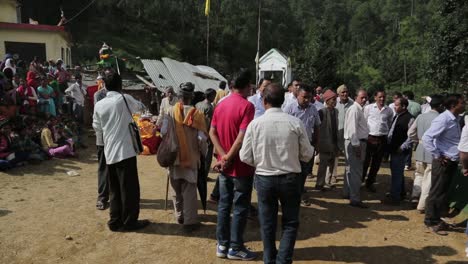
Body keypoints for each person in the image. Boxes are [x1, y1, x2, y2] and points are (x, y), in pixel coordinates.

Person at [239, 83, 314, 264]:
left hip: (265, 178)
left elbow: (245, 156)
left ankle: (269, 260)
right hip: (290, 178)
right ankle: (283, 260)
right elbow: (307, 154)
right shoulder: (295, 123)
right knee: (290, 223)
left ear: (264, 101)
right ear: (283, 100)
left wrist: (262, 162)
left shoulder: (255, 124)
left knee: (267, 223)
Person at [93, 71, 150, 232]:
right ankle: (130, 221)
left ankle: (115, 220)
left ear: (104, 85)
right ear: (120, 85)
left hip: (109, 151)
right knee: (130, 189)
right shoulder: (124, 99)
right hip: (125, 151)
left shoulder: (99, 104)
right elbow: (140, 108)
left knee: (115, 189)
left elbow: (97, 127)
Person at [209, 71, 256, 260]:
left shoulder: (220, 105)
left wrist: (222, 156)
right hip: (241, 166)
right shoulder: (247, 106)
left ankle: (222, 245)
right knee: (240, 207)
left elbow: (212, 132)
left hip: (224, 166)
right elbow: (241, 137)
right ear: (245, 87)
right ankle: (235, 247)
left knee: (223, 205)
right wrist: (228, 156)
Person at [164, 82, 207, 231]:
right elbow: (202, 139)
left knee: (176, 189)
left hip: (173, 157)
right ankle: (189, 221)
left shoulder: (169, 111)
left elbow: (163, 132)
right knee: (189, 190)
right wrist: (203, 153)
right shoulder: (198, 114)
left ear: (178, 96)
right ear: (192, 96)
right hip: (191, 158)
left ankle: (179, 216)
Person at [422, 94, 464, 235]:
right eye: (461, 103)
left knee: (442, 192)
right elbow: (427, 138)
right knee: (436, 191)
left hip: (451, 161)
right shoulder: (443, 119)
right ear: (453, 105)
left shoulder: (455, 119)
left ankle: (436, 218)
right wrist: (438, 155)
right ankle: (430, 221)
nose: (464, 105)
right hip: (443, 162)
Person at [407, 94, 444, 211]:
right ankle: (422, 205)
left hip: (420, 149)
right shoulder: (440, 118)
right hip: (432, 151)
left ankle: (414, 196)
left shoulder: (421, 117)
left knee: (419, 175)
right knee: (428, 179)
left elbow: (410, 133)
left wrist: (417, 141)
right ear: (441, 106)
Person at [283, 85, 321, 199]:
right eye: (304, 97)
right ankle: (291, 193)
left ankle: (299, 191)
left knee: (304, 170)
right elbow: (283, 125)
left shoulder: (313, 108)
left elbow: (317, 126)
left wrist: (317, 142)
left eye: (309, 97)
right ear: (298, 95)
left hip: (307, 144)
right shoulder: (289, 108)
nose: (307, 100)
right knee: (291, 171)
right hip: (292, 145)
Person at [362, 90, 393, 192]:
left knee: (376, 163)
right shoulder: (368, 108)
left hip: (382, 139)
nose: (382, 99)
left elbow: (389, 124)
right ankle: (360, 181)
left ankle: (370, 183)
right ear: (375, 98)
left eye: (384, 97)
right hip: (369, 138)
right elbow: (364, 122)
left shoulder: (389, 110)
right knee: (365, 162)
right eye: (380, 97)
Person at [343, 89, 369, 208]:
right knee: (356, 172)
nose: (364, 99)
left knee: (350, 170)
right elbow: (352, 130)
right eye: (362, 97)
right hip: (355, 143)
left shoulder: (358, 109)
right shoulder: (355, 109)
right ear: (356, 97)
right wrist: (357, 146)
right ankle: (355, 198)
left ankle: (349, 193)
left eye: (365, 97)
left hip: (355, 142)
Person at [385, 98, 414, 205]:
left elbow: (411, 136)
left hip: (400, 150)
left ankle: (395, 197)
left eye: (397, 105)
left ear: (404, 106)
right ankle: (400, 193)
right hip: (393, 148)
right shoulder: (397, 115)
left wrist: (402, 147)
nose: (394, 107)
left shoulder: (410, 119)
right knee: (397, 173)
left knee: (397, 174)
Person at [316, 90, 339, 190]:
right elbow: (317, 127)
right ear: (327, 100)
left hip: (334, 141)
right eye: (333, 99)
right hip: (325, 142)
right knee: (323, 165)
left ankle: (327, 182)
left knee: (332, 164)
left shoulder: (336, 111)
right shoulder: (322, 112)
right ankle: (319, 184)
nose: (335, 101)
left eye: (335, 99)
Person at [94, 75, 109, 211]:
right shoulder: (98, 95)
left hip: (115, 139)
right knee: (103, 167)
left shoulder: (118, 96)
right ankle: (102, 197)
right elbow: (98, 116)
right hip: (103, 138)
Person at [196, 88, 216, 178]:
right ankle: (204, 175)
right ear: (211, 96)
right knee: (207, 157)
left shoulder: (198, 104)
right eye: (214, 96)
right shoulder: (209, 108)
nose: (214, 98)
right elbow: (208, 123)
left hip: (196, 132)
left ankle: (198, 173)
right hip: (206, 134)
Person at [65, 74, 88, 147]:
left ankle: (80, 131)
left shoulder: (81, 86)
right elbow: (66, 91)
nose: (79, 79)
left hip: (81, 104)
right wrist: (71, 97)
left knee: (80, 118)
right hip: (76, 104)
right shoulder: (74, 85)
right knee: (77, 118)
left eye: (80, 78)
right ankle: (78, 132)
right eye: (77, 78)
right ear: (76, 79)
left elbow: (85, 93)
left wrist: (82, 88)